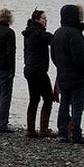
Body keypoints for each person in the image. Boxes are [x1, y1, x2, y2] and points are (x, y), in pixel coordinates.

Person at [50, 4, 84, 144]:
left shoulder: (57, 33)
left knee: (64, 104)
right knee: (77, 106)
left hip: (62, 74)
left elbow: (53, 56)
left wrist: (61, 67)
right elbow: (79, 57)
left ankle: (62, 132)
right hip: (76, 76)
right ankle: (76, 133)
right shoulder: (75, 33)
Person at [22, 9, 55, 138]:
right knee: (48, 98)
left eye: (45, 18)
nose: (45, 20)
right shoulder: (39, 33)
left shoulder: (28, 33)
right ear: (37, 20)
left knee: (34, 99)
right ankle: (43, 129)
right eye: (43, 18)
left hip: (29, 69)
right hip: (39, 71)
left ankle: (31, 129)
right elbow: (53, 40)